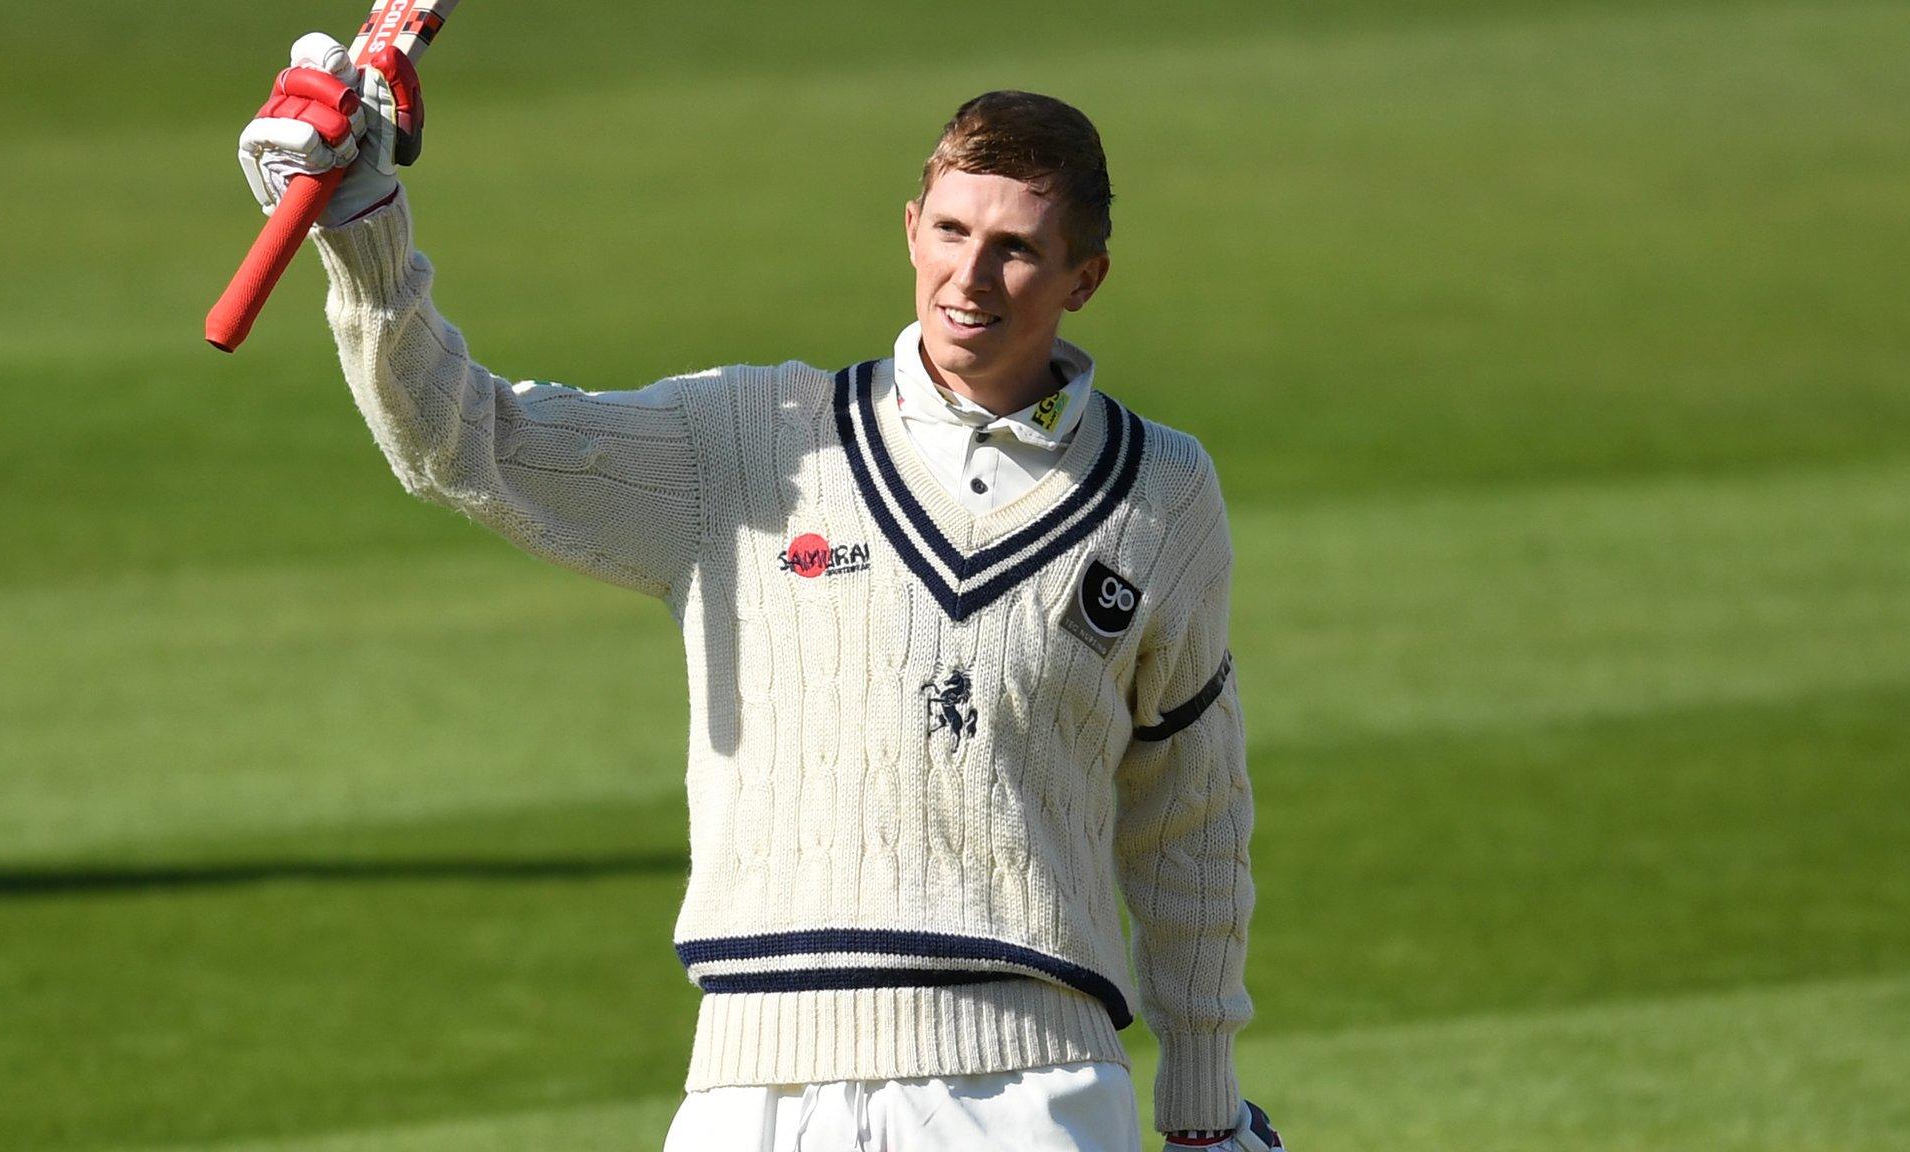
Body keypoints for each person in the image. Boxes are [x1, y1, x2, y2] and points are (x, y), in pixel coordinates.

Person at [237, 32, 1282, 1152]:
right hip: (756, 1089)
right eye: (949, 232)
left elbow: (1192, 813)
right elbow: (462, 441)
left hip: (1029, 1089)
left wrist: (1202, 1111)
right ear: (909, 229)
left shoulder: (1160, 492)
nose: (969, 278)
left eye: (1016, 250)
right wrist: (363, 225)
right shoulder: (744, 439)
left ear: (1085, 277)